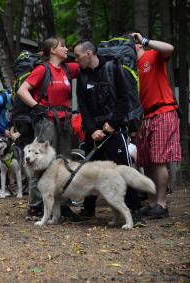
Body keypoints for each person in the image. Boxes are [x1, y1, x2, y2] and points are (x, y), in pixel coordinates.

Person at [74, 40, 143, 224]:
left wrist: (113, 123)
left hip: (114, 129)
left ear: (89, 53)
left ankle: (135, 210)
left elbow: (124, 99)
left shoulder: (113, 68)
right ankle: (88, 210)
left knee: (123, 169)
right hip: (93, 132)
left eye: (78, 56)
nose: (76, 60)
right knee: (90, 171)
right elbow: (83, 107)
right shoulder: (81, 76)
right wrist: (92, 130)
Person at [17, 37, 79, 219]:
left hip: (65, 121)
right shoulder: (42, 70)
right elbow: (22, 90)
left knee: (64, 163)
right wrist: (37, 107)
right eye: (63, 46)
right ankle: (36, 206)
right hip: (46, 122)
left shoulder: (69, 68)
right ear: (52, 50)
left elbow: (86, 63)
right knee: (41, 164)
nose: (67, 49)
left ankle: (63, 206)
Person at [132, 32, 181, 219]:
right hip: (144, 118)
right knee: (147, 161)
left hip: (163, 111)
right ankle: (152, 203)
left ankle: (162, 204)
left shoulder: (152, 55)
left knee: (159, 159)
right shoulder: (131, 67)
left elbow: (170, 48)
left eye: (132, 42)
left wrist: (144, 40)